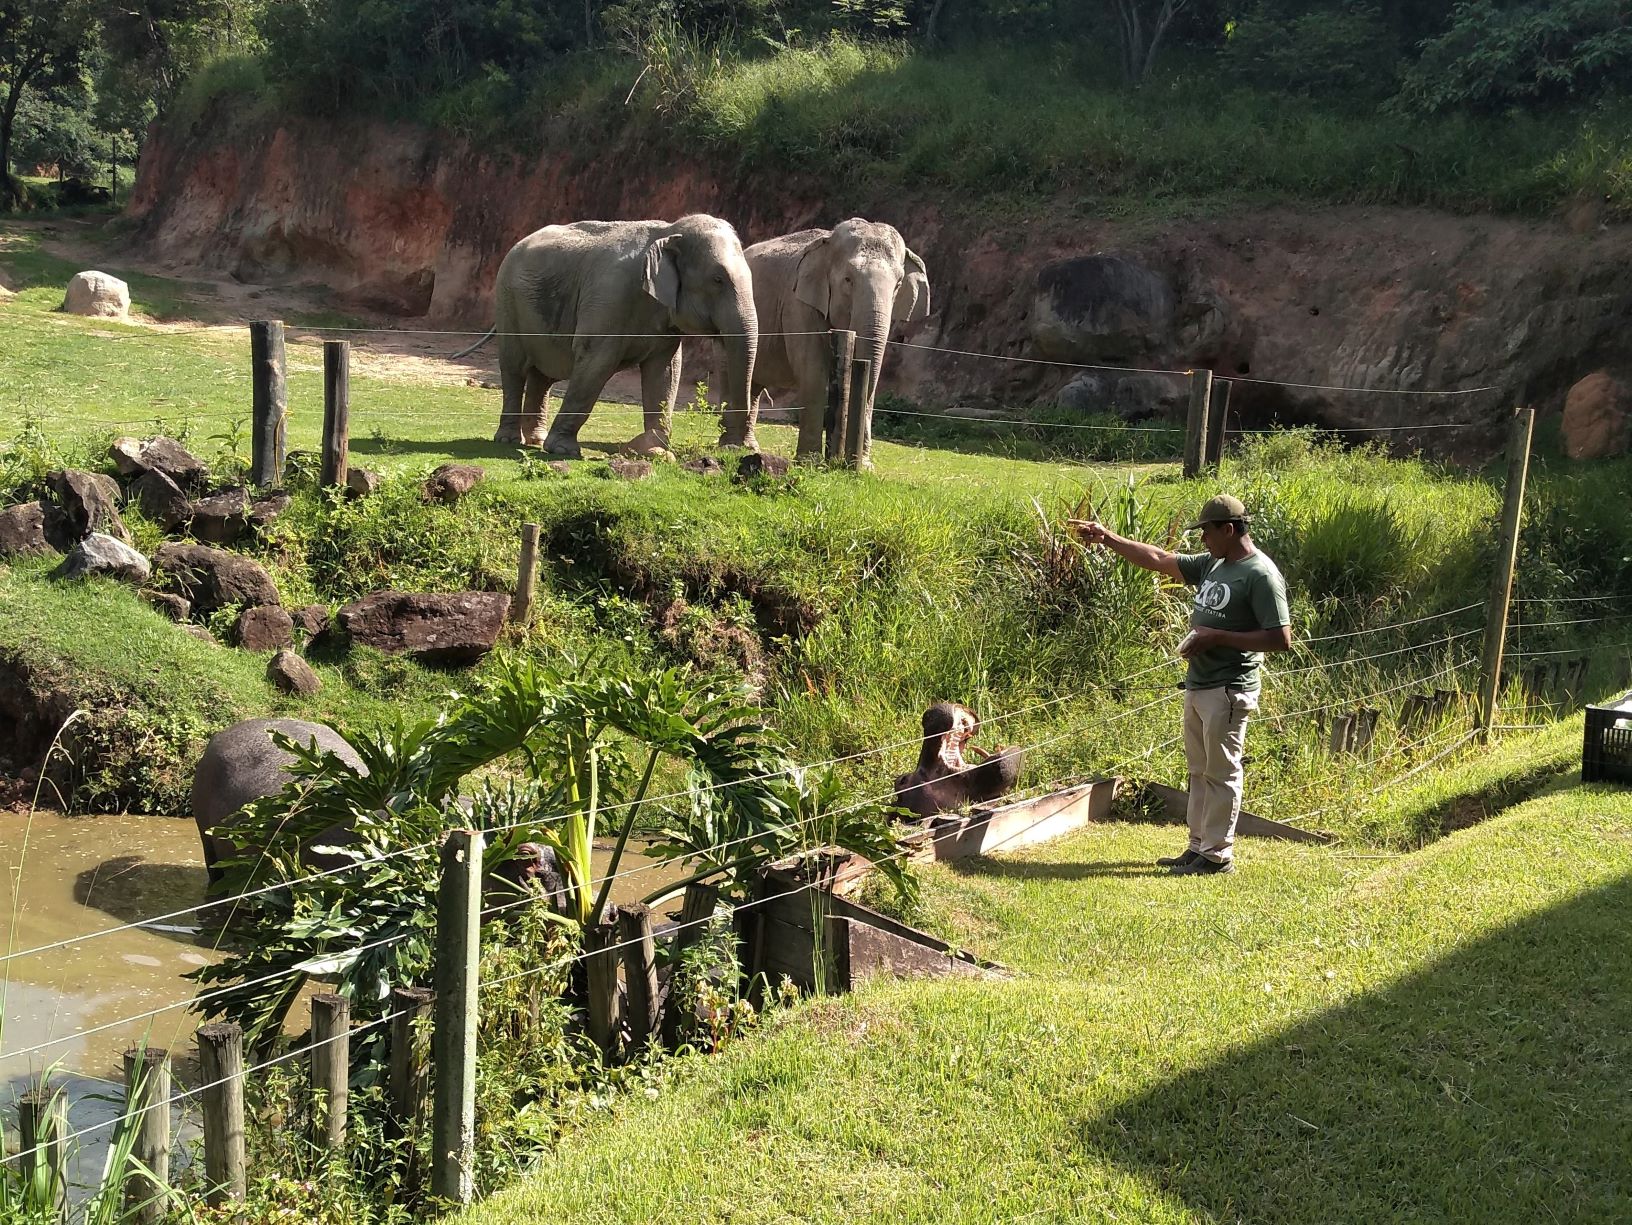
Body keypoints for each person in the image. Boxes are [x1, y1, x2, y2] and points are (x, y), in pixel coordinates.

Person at [1069, 494, 1292, 875]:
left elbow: (1280, 639)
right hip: (1199, 682)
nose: (1202, 539)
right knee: (1199, 769)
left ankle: (1217, 855)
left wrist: (1217, 637)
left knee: (1222, 772)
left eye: (1206, 531)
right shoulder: (1215, 563)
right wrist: (1107, 538)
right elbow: (1159, 559)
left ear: (1229, 529)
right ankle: (1197, 847)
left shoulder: (1261, 575)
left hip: (1229, 687)